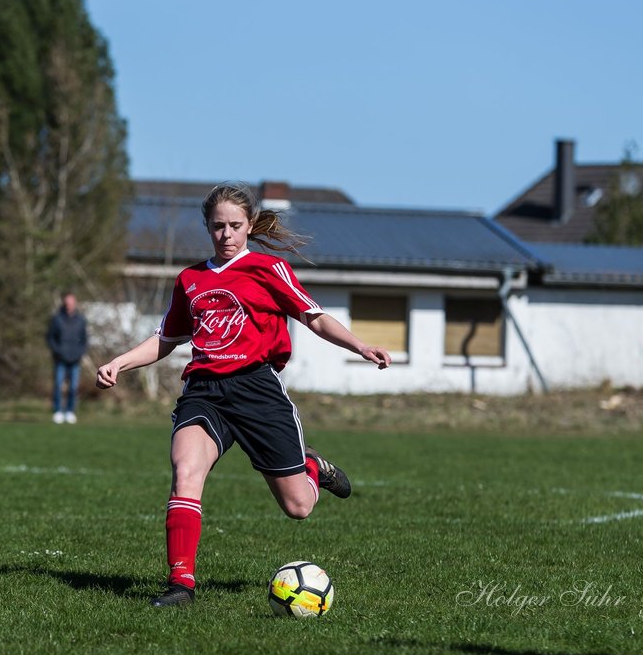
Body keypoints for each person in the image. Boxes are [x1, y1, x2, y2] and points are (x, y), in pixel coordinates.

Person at [96, 183, 392, 607]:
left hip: (257, 390)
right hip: (204, 391)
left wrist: (360, 346)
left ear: (250, 225)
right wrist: (119, 363)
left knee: (298, 508)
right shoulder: (191, 279)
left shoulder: (270, 270)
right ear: (207, 227)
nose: (227, 235)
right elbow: (167, 337)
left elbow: (315, 318)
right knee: (185, 472)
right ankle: (181, 584)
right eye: (218, 227)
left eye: (235, 225)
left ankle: (311, 466)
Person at [46, 291, 88, 424]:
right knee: (58, 385)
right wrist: (57, 351)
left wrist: (81, 352)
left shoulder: (80, 320)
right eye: (67, 303)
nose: (69, 305)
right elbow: (50, 337)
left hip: (75, 358)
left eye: (71, 303)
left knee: (73, 387)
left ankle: (70, 411)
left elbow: (85, 339)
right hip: (60, 358)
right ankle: (58, 411)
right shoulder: (57, 318)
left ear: (75, 303)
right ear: (64, 303)